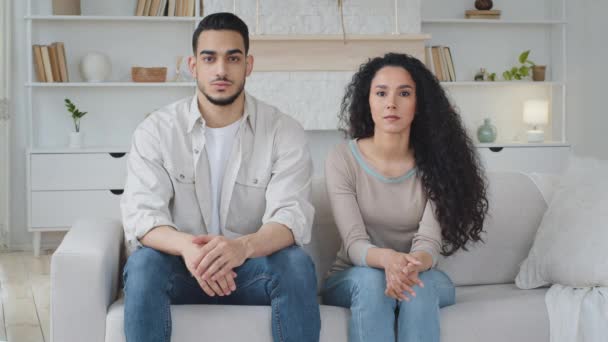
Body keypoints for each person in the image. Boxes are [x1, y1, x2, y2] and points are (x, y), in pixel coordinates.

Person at [120, 12, 320, 342]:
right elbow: (142, 215)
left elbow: (291, 216)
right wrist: (189, 248)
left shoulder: (284, 131)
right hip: (181, 269)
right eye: (210, 58)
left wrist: (242, 248)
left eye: (233, 58)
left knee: (296, 265)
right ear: (193, 65)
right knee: (144, 265)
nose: (221, 70)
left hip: (251, 271)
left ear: (249, 65)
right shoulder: (156, 130)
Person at [322, 53, 489, 342]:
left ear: (419, 103)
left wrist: (406, 268)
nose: (391, 103)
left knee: (418, 287)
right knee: (372, 281)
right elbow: (354, 244)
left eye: (404, 93)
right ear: (368, 101)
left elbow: (428, 244)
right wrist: (388, 261)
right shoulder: (342, 158)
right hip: (354, 276)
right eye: (381, 92)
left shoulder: (438, 163)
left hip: (420, 273)